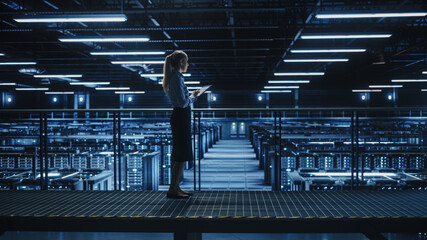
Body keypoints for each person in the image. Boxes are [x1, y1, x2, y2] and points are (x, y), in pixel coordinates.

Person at [162, 50, 200, 199]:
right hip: (180, 117)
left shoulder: (176, 77)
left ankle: (176, 187)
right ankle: (173, 189)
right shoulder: (176, 78)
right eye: (187, 61)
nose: (188, 64)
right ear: (181, 63)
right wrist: (194, 97)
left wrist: (190, 96)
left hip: (180, 117)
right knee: (181, 154)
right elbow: (183, 102)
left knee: (179, 153)